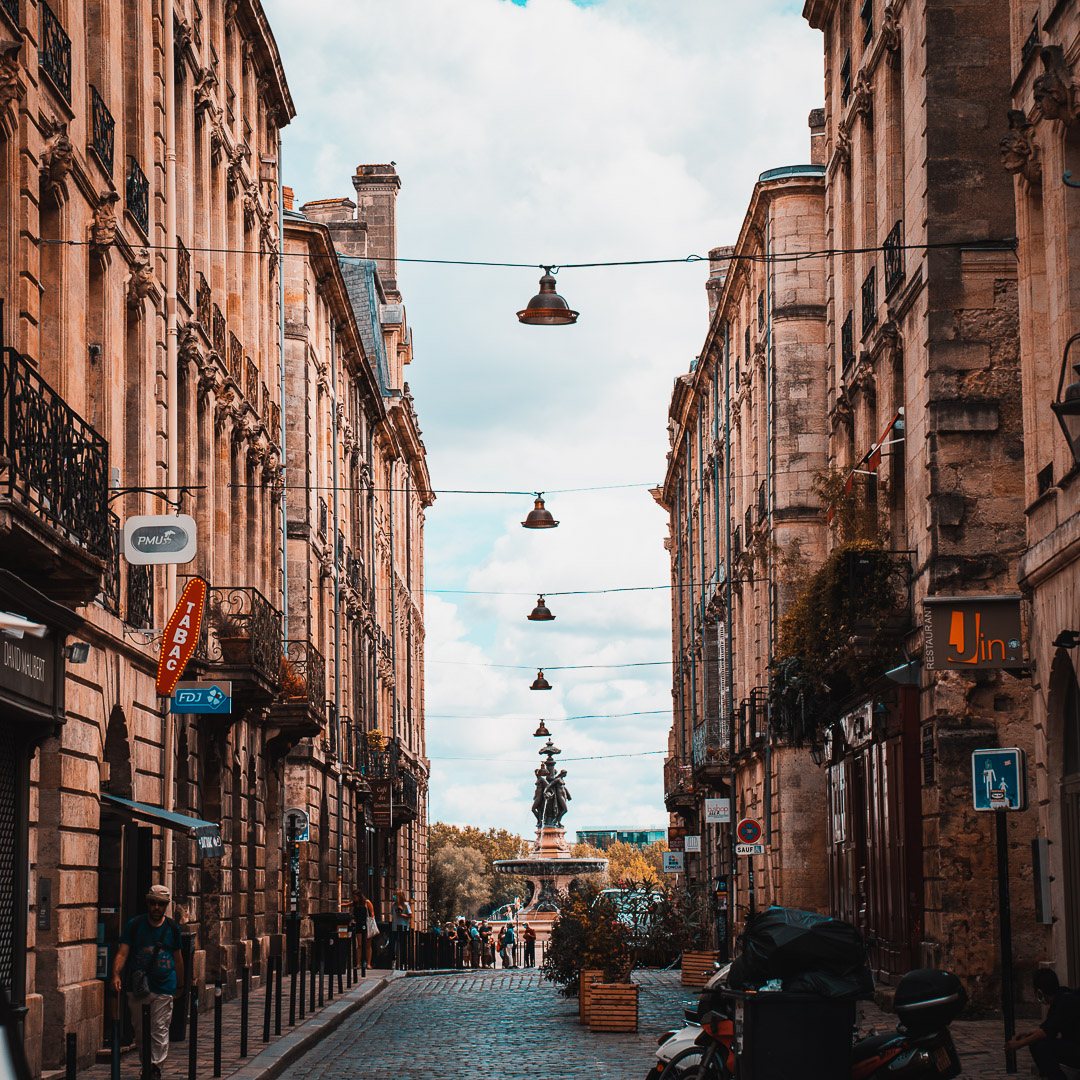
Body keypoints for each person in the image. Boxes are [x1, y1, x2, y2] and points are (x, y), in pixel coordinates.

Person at [110, 885, 184, 1080]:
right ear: (148, 903)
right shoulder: (135, 925)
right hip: (139, 987)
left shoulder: (172, 928)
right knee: (141, 1032)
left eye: (161, 904)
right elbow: (122, 952)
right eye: (153, 903)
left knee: (159, 1028)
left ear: (166, 906)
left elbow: (178, 958)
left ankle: (155, 1068)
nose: (156, 908)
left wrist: (181, 984)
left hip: (165, 985)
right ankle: (148, 1065)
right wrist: (116, 974)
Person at [1005, 969, 1080, 1078]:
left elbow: (1047, 1032)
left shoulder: (1064, 1001)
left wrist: (1019, 1044)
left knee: (1041, 1046)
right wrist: (1028, 1034)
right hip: (1074, 1044)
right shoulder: (1063, 997)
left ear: (1039, 992)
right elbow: (1050, 1026)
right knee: (1037, 1041)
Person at [350, 887, 375, 970]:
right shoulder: (355, 904)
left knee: (368, 944)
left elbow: (372, 913)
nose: (354, 899)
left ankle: (368, 963)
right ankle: (358, 963)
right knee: (359, 944)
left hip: (367, 924)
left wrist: (371, 923)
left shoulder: (367, 902)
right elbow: (347, 905)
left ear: (359, 896)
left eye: (354, 897)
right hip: (358, 925)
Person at [391, 890, 411, 969]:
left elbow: (410, 916)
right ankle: (394, 961)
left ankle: (403, 962)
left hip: (403, 927)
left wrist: (402, 914)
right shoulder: (393, 905)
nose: (394, 897)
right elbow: (392, 914)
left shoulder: (406, 905)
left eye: (395, 895)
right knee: (393, 945)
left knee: (403, 946)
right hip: (394, 927)